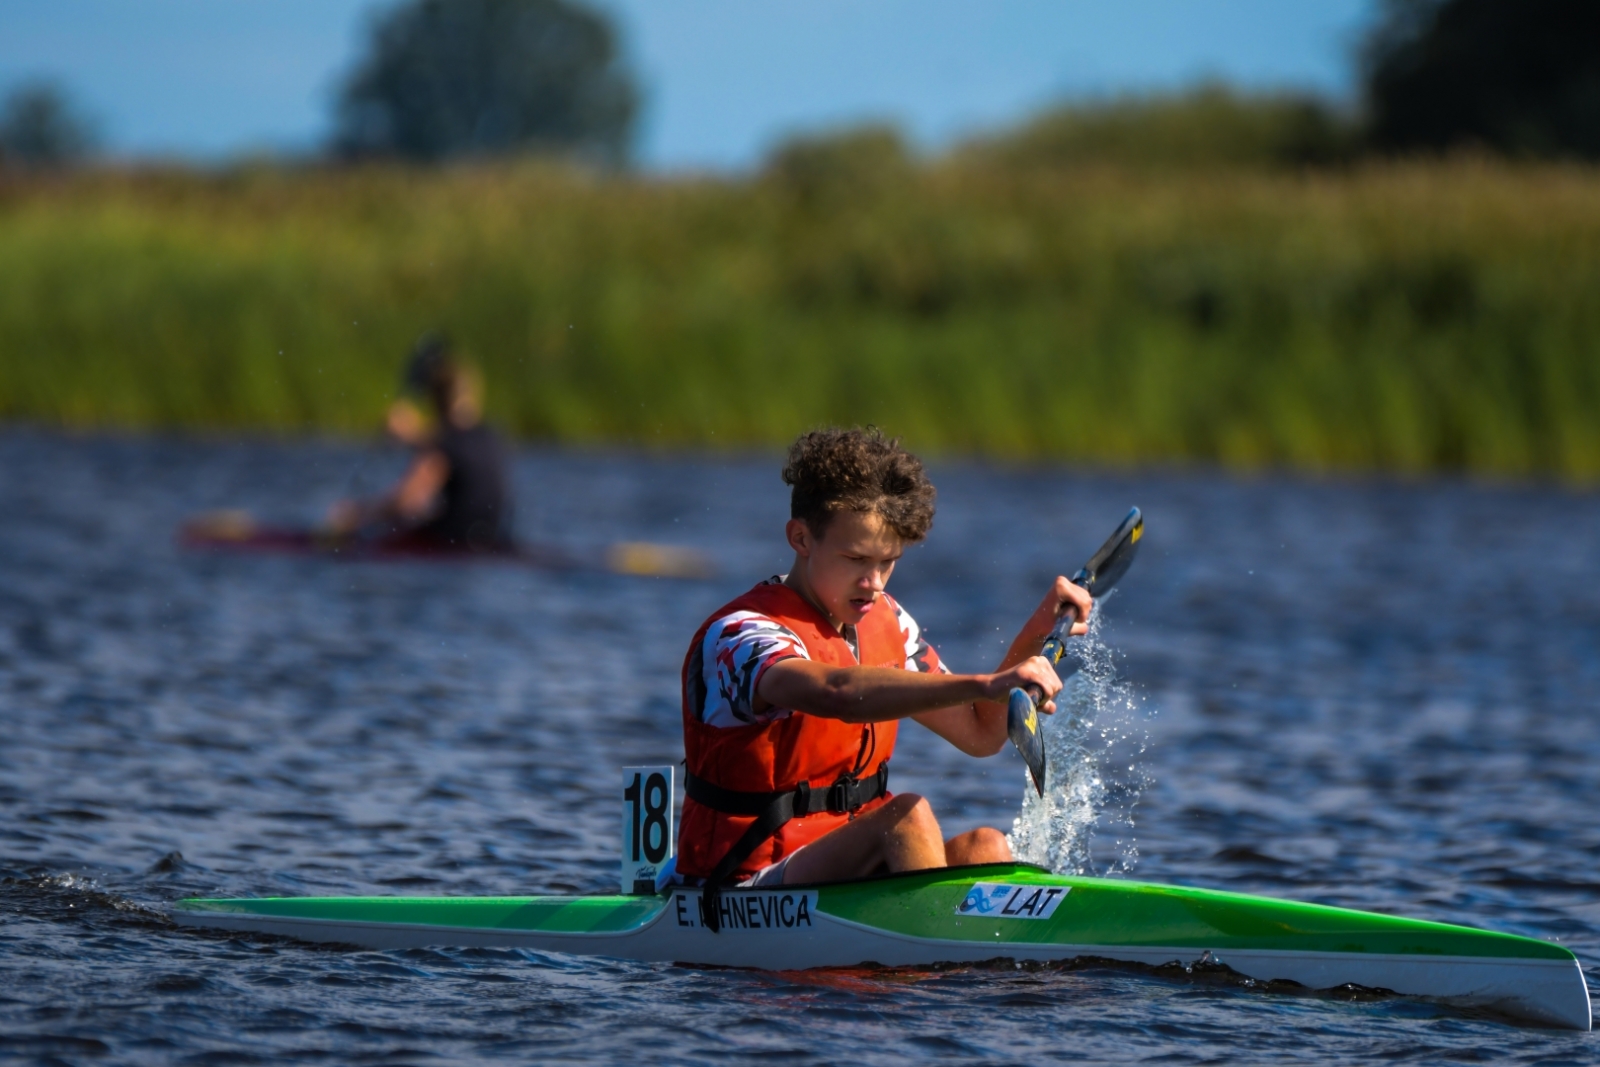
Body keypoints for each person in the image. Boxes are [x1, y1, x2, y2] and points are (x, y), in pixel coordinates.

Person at [677, 427, 1092, 912]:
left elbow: (981, 732)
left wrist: (1040, 626)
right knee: (906, 817)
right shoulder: (743, 636)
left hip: (841, 870)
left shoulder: (889, 621)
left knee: (987, 848)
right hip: (740, 883)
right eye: (855, 559)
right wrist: (989, 682)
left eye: (888, 562)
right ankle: (937, 976)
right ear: (801, 538)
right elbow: (834, 691)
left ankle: (963, 973)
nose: (873, 583)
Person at [329, 335, 514, 553]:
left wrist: (358, 516)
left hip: (453, 546)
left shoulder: (445, 444)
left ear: (434, 398)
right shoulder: (492, 437)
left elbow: (407, 502)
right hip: (492, 541)